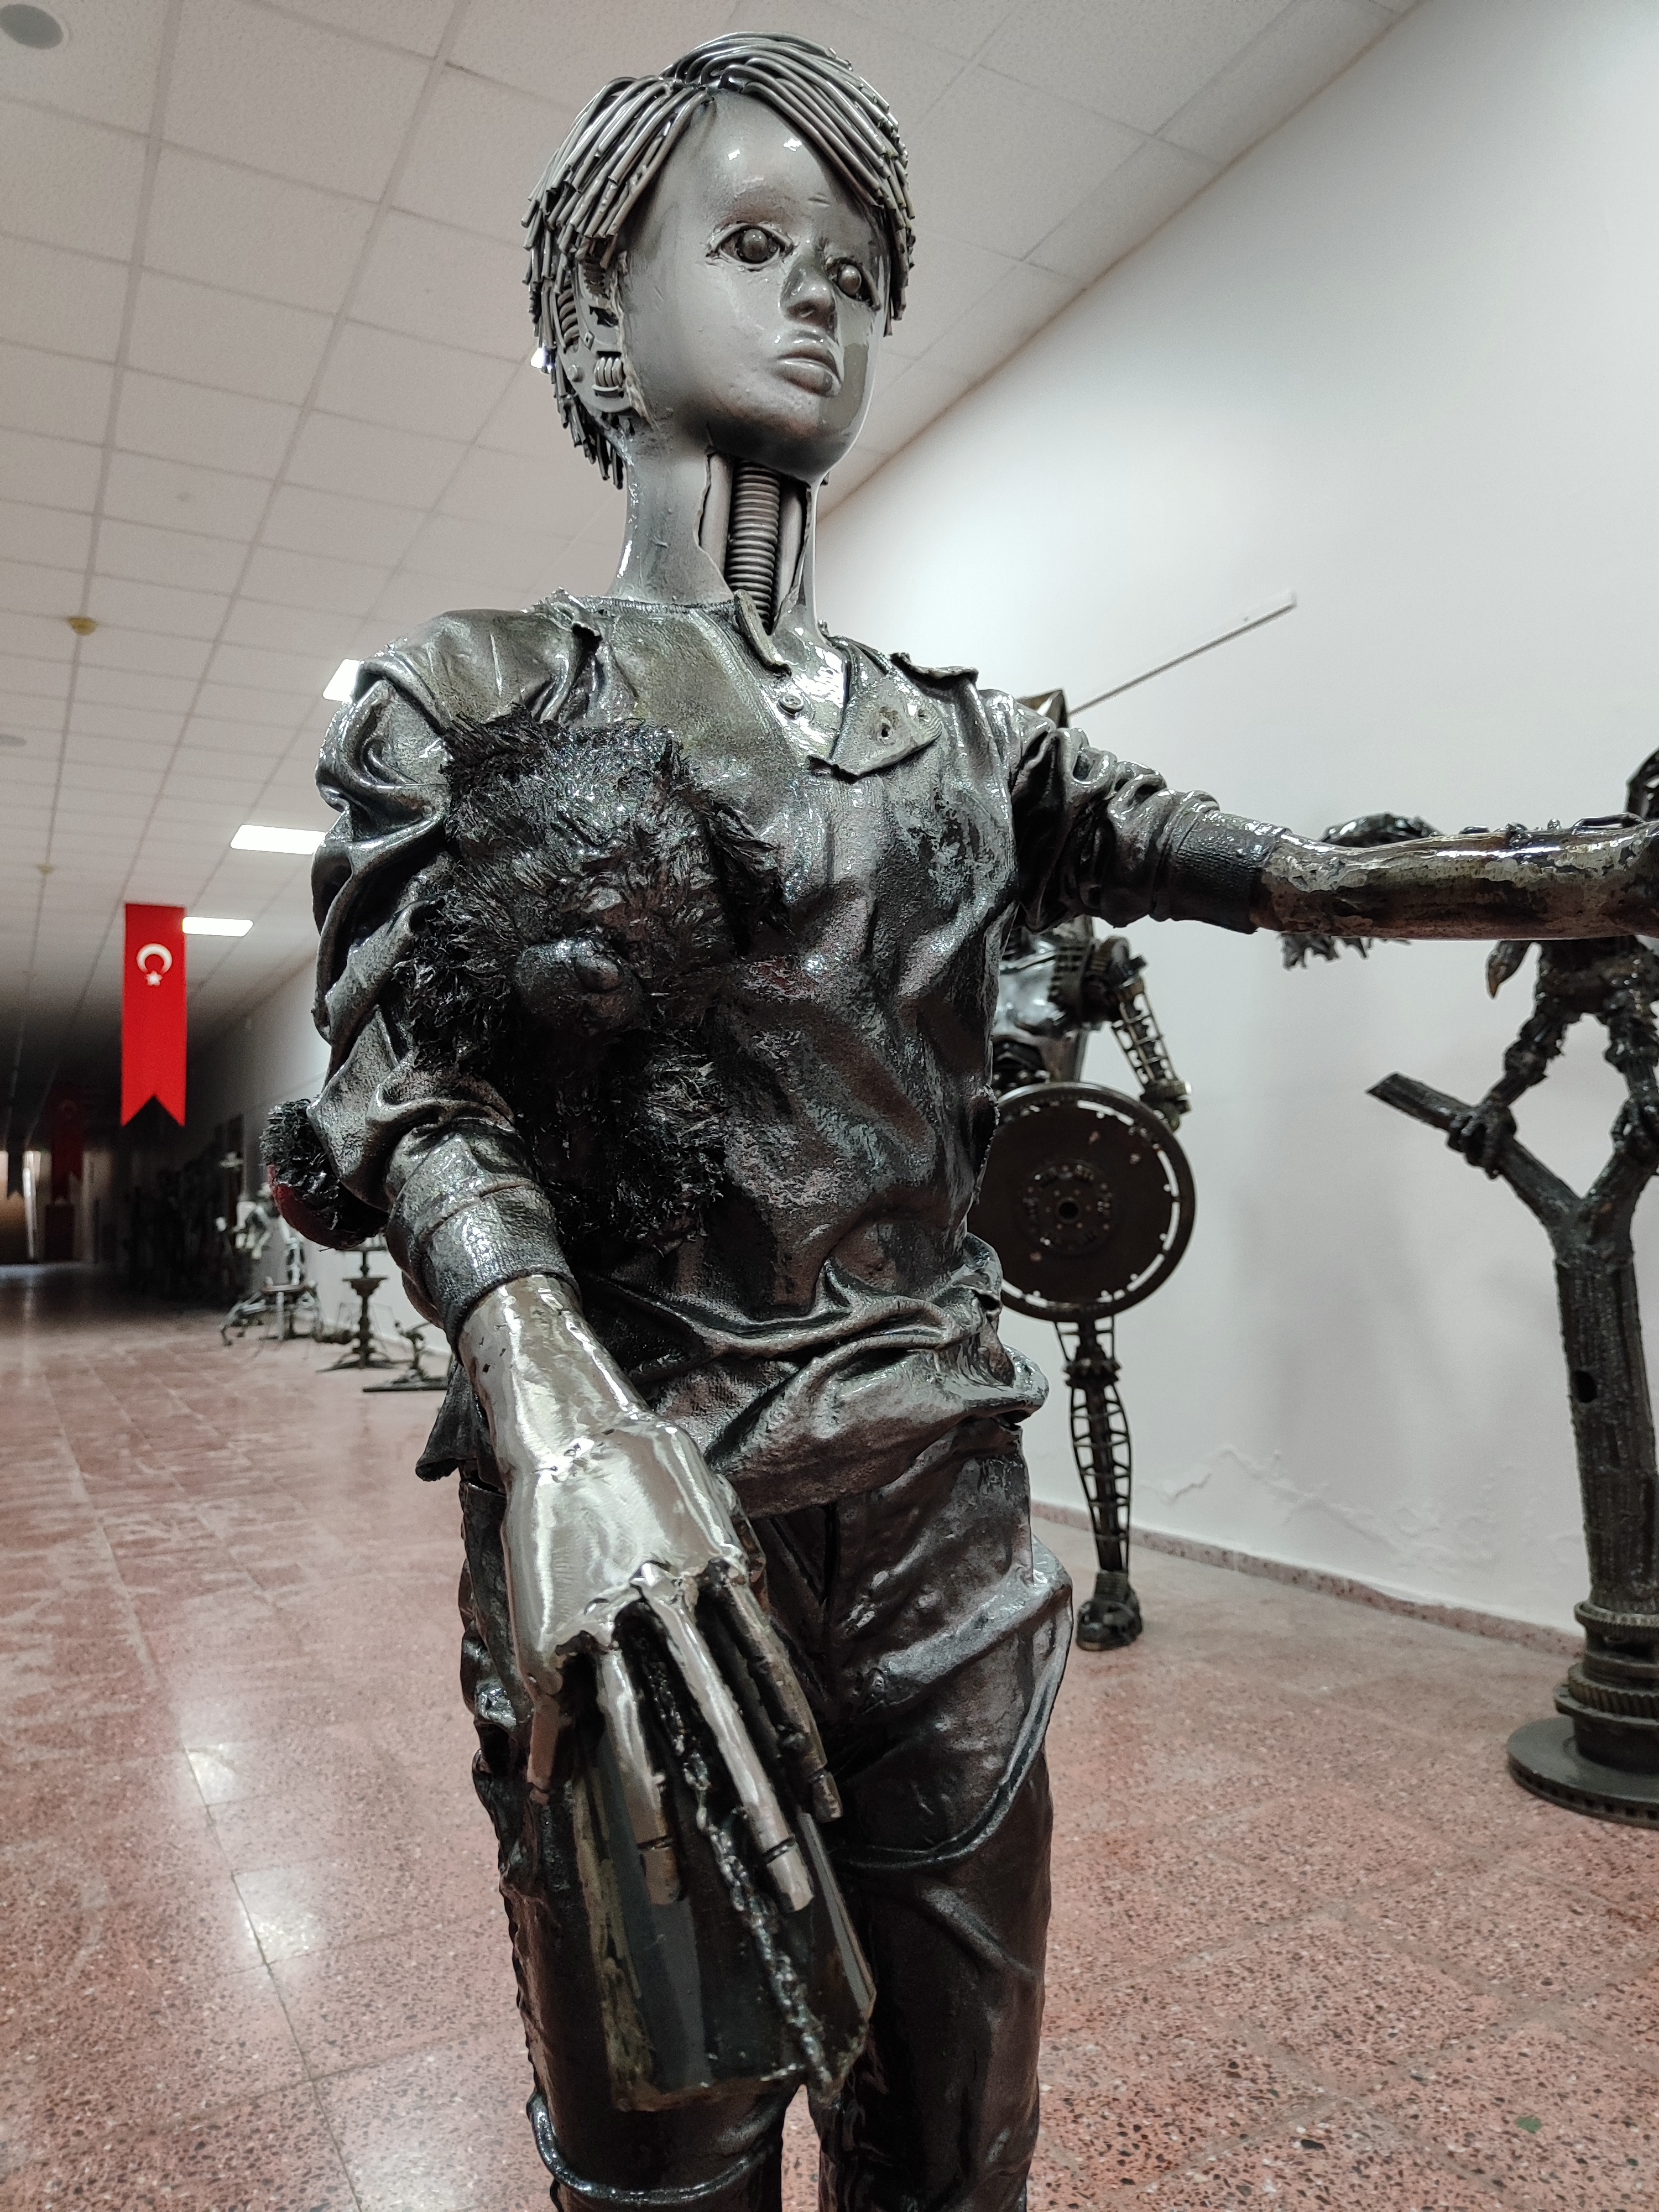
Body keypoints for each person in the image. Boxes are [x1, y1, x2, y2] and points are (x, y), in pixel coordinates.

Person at [273, 34, 1659, 2212]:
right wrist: (554, 1408)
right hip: (650, 1538)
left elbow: (1291, 871)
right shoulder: (465, 694)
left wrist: (1590, 874)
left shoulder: (963, 743)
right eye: (754, 245)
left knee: (956, 2155)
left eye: (855, 271)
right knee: (666, 2170)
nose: (820, 299)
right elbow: (406, 1079)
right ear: (597, 316)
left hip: (945, 1546)